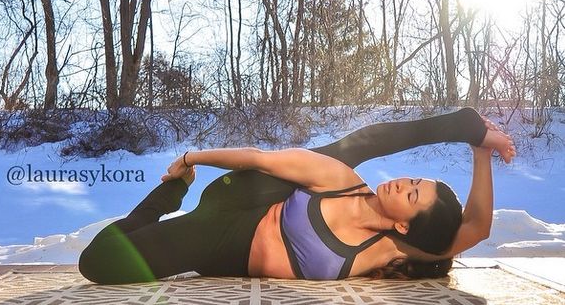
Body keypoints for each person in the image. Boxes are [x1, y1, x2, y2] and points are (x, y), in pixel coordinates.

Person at [79, 107, 515, 284]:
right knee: (96, 263)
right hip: (233, 212)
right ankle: (168, 197)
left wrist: (482, 155)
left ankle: (156, 215)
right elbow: (258, 158)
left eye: (414, 194)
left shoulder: (392, 249)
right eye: (413, 179)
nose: (403, 183)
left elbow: (475, 227)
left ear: (405, 224)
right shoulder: (340, 179)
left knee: (102, 262)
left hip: (229, 260)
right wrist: (193, 157)